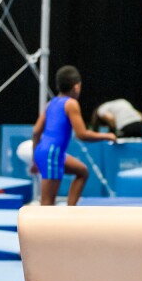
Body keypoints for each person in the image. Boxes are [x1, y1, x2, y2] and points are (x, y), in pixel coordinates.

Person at [32, 66, 115, 206]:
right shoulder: (71, 104)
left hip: (44, 151)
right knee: (47, 204)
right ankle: (45, 227)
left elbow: (36, 132)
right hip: (52, 154)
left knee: (82, 171)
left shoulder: (51, 103)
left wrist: (35, 159)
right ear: (76, 87)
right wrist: (107, 136)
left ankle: (70, 211)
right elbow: (81, 134)